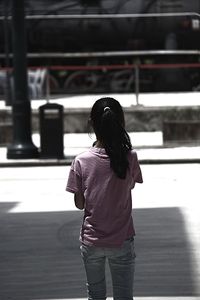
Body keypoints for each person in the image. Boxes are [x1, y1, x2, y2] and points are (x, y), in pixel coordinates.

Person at [66, 97, 143, 300]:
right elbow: (131, 185)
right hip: (122, 240)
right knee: (124, 295)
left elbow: (79, 204)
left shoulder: (81, 161)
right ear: (122, 122)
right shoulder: (130, 157)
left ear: (92, 124)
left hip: (92, 242)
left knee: (96, 294)